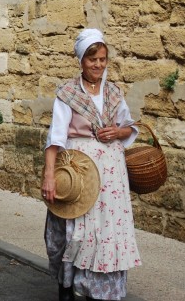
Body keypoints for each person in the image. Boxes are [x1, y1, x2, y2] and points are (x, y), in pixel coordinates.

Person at [41, 29, 141, 301]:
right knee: (76, 228)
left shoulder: (113, 92)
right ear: (81, 60)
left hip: (111, 174)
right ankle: (68, 285)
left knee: (107, 229)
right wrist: (49, 176)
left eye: (102, 59)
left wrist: (117, 133)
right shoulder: (68, 94)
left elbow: (129, 127)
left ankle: (103, 291)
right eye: (92, 59)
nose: (98, 65)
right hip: (79, 170)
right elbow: (55, 138)